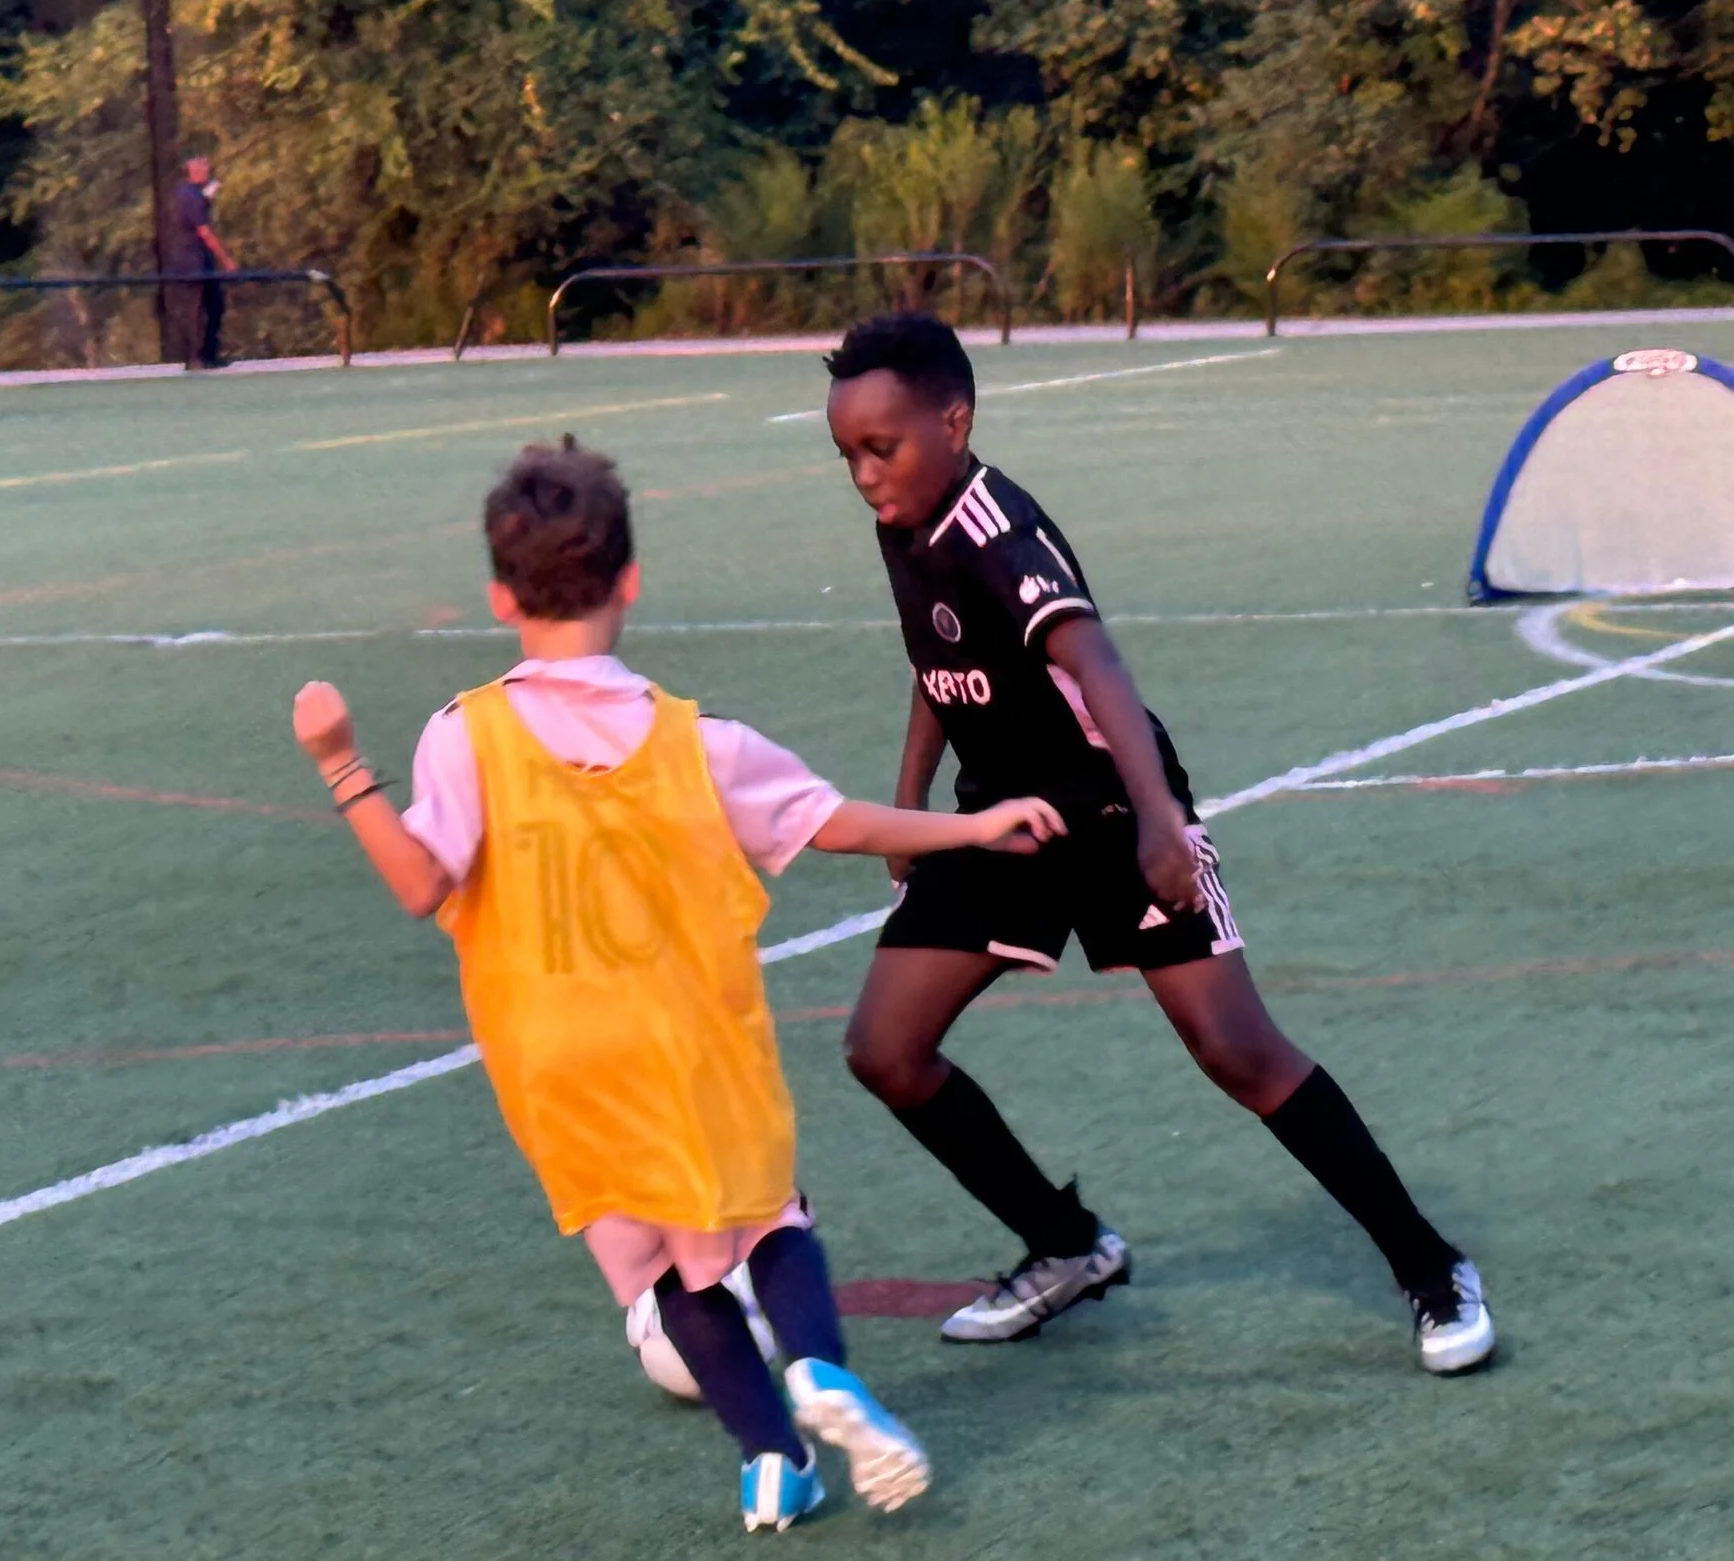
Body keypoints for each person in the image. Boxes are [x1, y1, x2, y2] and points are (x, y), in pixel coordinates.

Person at [289, 437, 1068, 1530]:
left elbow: (421, 881)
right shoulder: (695, 740)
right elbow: (834, 821)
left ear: (501, 597)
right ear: (632, 581)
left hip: (552, 1059)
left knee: (665, 1269)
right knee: (763, 1223)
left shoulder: (459, 735)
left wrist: (338, 760)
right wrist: (974, 822)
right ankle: (820, 1368)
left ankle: (769, 1461)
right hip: (691, 1037)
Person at [817, 312, 1496, 1373]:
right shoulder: (905, 519)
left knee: (1237, 1048)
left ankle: (1430, 1261)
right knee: (884, 1050)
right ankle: (1068, 1245)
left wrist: (1161, 822)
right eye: (846, 452)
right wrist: (910, 809)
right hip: (1001, 818)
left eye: (880, 447)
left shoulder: (1003, 531)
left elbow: (1101, 671)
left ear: (954, 421)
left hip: (1108, 812)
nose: (861, 472)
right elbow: (936, 664)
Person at [174, 155, 236, 368]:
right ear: (193, 169)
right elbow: (204, 231)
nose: (207, 170)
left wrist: (208, 198)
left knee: (215, 305)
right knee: (196, 308)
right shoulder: (189, 196)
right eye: (203, 166)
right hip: (192, 260)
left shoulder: (194, 194)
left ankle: (210, 354)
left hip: (202, 259)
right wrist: (226, 259)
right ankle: (195, 357)